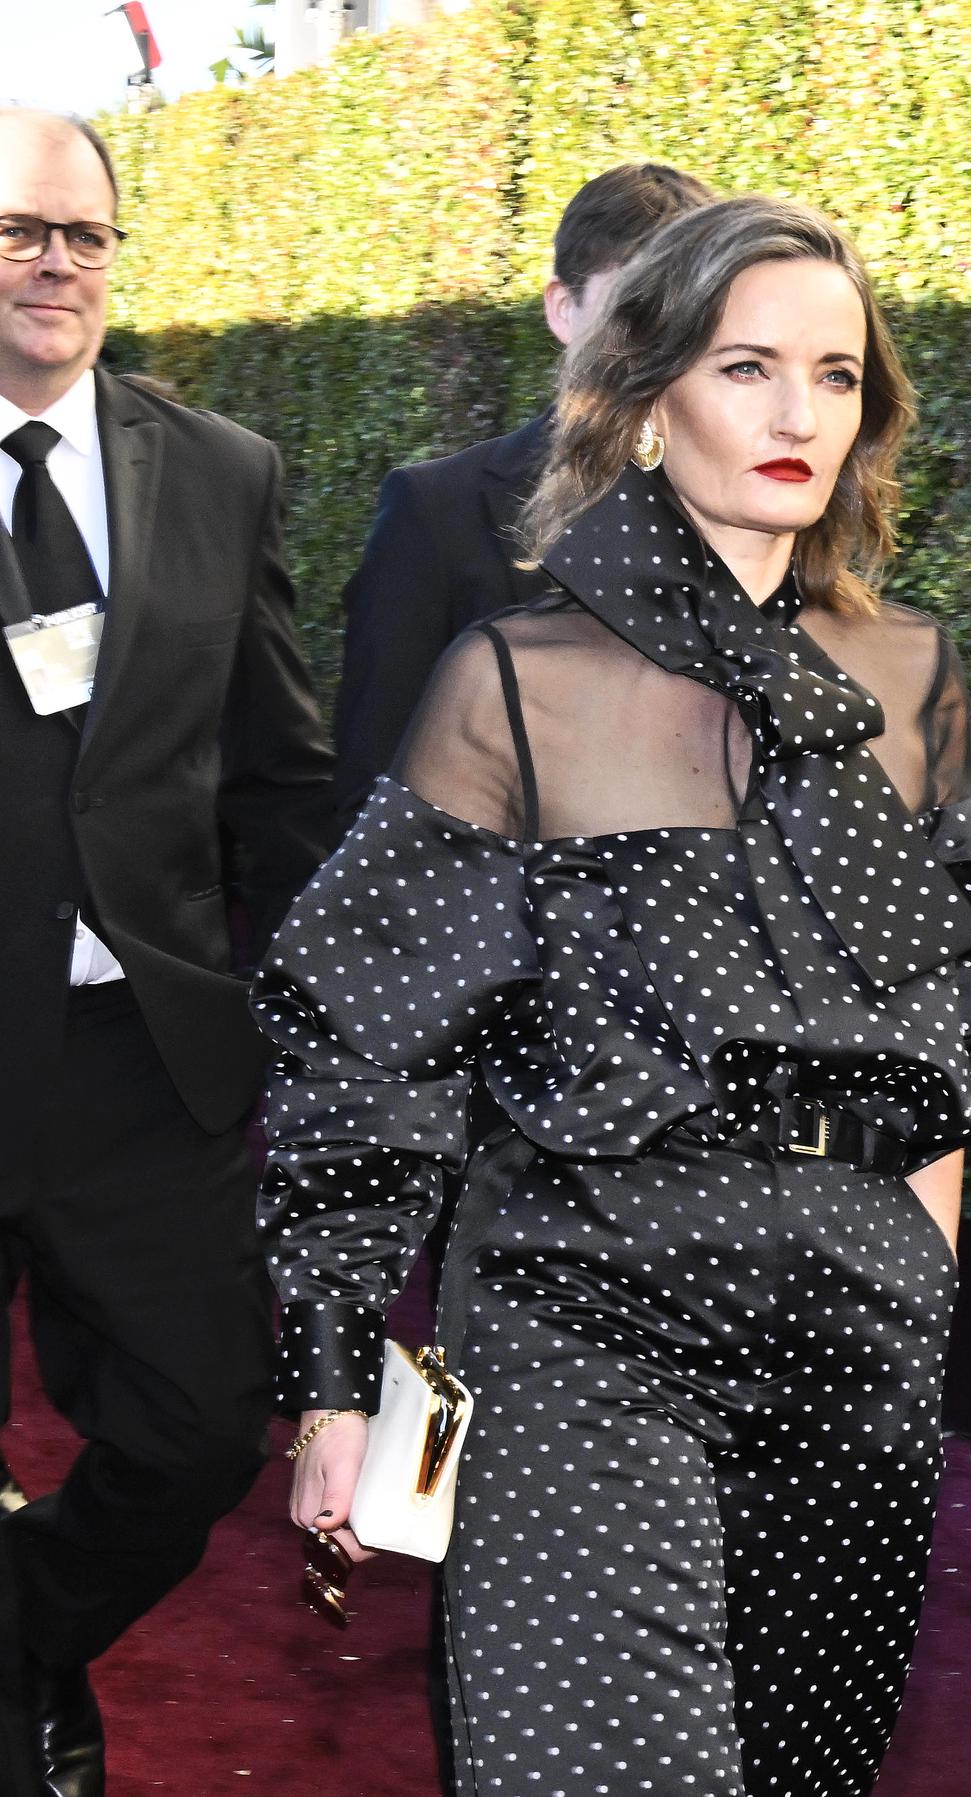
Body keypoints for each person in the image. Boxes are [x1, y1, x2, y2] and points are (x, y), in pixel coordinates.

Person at [259, 194, 971, 1795]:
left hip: (857, 1339)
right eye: (747, 366)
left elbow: (943, 1034)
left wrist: (926, 1294)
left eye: (835, 376)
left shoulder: (907, 675)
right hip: (586, 1316)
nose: (794, 413)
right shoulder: (525, 681)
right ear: (645, 391)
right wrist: (335, 1376)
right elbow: (369, 1044)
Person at [0, 109, 336, 1796]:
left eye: (85, 234)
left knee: (201, 1430)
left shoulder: (218, 470)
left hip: (148, 1062)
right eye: (18, 230)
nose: (57, 261)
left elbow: (277, 775)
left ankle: (22, 1633)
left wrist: (359, 999)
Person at [328, 160, 713, 824]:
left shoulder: (751, 512)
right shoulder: (437, 516)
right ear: (564, 310)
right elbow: (376, 800)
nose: (665, 341)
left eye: (693, 310)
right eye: (637, 306)